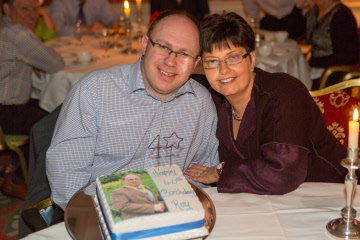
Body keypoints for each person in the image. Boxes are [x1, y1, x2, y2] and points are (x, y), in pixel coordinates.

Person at [46, 10, 219, 210]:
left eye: (184, 54)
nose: (171, 61)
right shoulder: (94, 92)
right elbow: (67, 175)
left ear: (195, 63)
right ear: (145, 44)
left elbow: (201, 175)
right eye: (163, 47)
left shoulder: (201, 104)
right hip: (103, 211)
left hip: (173, 213)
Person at [185, 12, 347, 194]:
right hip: (267, 203)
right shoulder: (212, 100)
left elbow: (282, 173)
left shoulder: (284, 92)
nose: (223, 70)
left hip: (331, 196)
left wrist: (220, 171)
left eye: (233, 57)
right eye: (213, 61)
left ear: (252, 59)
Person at [0, 0, 64, 199]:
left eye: (35, 9)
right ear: (7, 8)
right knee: (58, 122)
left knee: (43, 107)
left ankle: (14, 164)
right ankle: (17, 180)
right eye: (24, 8)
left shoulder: (5, 27)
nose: (32, 14)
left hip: (8, 108)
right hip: (6, 112)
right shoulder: (17, 34)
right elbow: (55, 64)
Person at [305, 0, 359, 89]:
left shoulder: (342, 16)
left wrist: (314, 62)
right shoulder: (313, 12)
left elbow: (346, 57)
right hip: (315, 67)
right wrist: (299, 8)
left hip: (332, 73)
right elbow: (293, 31)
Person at [242, 0, 312, 39]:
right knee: (263, 33)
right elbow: (252, 14)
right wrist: (255, 30)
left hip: (293, 12)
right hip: (271, 17)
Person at [49, 0, 119, 36]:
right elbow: (57, 30)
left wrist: (115, 24)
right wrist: (85, 29)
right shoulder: (59, 2)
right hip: (70, 48)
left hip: (93, 45)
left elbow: (112, 18)